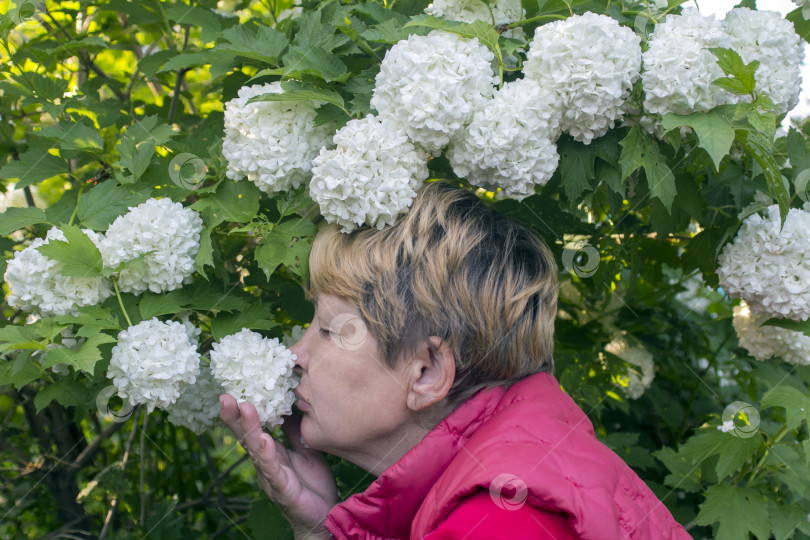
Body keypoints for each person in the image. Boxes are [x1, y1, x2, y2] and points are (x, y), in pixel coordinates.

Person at [220, 182, 691, 539]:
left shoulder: (500, 518)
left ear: (426, 372)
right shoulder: (514, 474)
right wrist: (323, 530)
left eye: (327, 329)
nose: (295, 355)